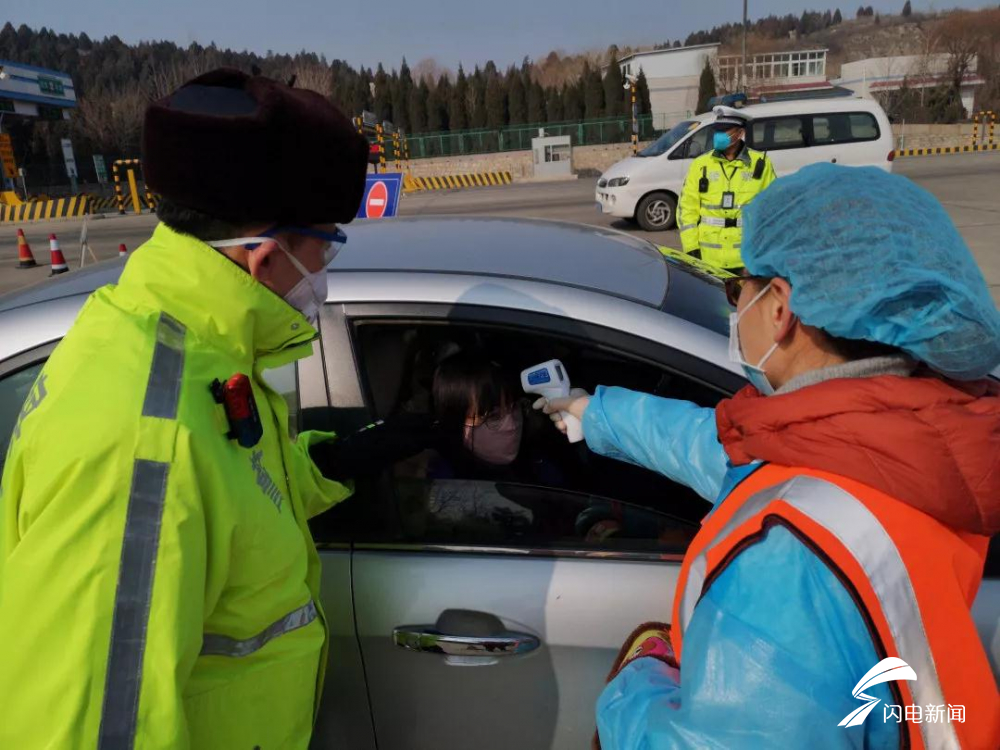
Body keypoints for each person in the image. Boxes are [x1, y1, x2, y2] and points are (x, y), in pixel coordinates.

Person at [539, 164, 1000, 748]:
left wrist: (637, 677)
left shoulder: (785, 564)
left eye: (740, 290)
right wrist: (596, 415)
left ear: (780, 307)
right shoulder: (905, 444)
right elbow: (732, 455)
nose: (738, 309)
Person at [0, 69, 369, 748]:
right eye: (328, 241)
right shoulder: (144, 440)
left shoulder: (189, 344)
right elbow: (90, 729)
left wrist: (333, 462)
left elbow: (229, 497)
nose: (327, 264)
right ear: (264, 253)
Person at [678, 106, 776, 273]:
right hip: (709, 260)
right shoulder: (701, 165)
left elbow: (772, 210)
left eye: (725, 131)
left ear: (740, 134)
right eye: (717, 131)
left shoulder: (760, 164)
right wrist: (691, 247)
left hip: (746, 259)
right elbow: (686, 209)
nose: (718, 136)